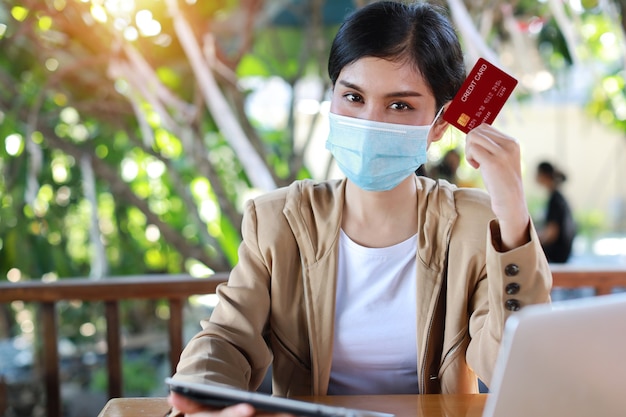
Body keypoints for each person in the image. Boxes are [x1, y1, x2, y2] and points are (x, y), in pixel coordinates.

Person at [168, 2, 552, 416]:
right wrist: (198, 402)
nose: (370, 121)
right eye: (353, 97)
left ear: (441, 124)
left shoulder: (477, 225)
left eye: (400, 105)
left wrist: (512, 210)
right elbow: (226, 339)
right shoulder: (277, 221)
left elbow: (515, 367)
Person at [535, 161, 576, 263]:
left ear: (544, 175)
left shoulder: (555, 200)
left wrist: (535, 243)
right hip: (563, 253)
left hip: (557, 255)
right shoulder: (557, 197)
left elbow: (552, 232)